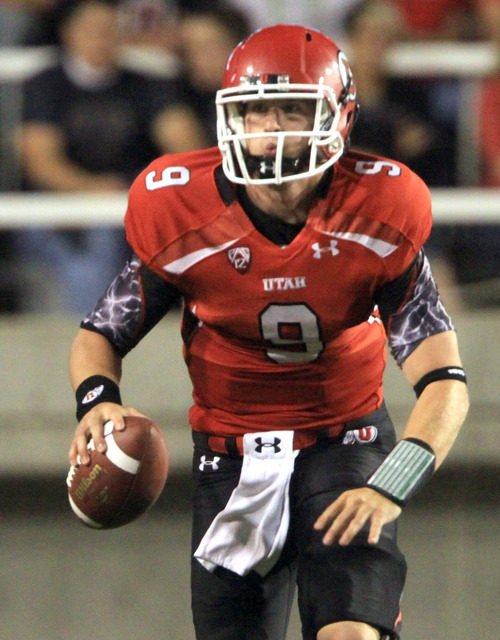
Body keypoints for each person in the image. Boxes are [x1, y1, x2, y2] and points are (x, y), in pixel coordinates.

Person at [68, 25, 469, 640]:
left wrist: (392, 485)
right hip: (230, 456)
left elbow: (445, 383)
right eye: (257, 111)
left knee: (351, 634)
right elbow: (100, 334)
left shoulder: (379, 210)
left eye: (293, 109)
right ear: (231, 119)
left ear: (340, 118)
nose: (273, 129)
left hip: (345, 442)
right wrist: (96, 399)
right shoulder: (183, 210)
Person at [15, 0, 205, 313]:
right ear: (68, 33)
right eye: (92, 29)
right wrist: (95, 190)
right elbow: (40, 161)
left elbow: (187, 147)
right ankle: (98, 334)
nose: (101, 38)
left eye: (110, 29)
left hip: (134, 204)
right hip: (59, 213)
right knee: (95, 254)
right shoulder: (45, 85)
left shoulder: (145, 84)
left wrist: (151, 189)